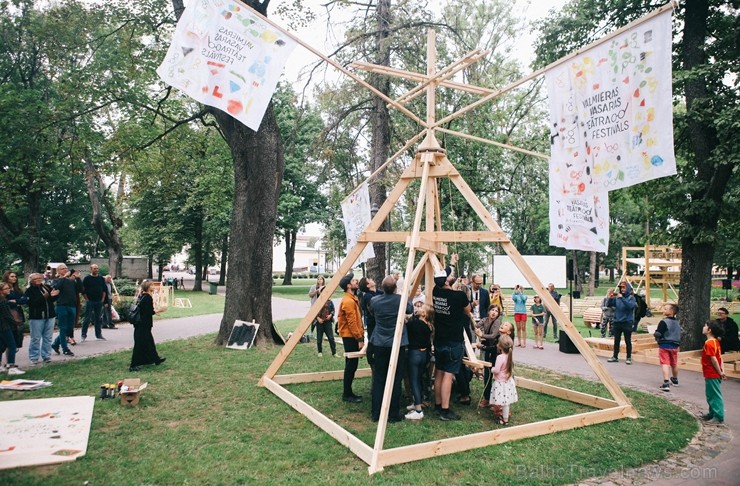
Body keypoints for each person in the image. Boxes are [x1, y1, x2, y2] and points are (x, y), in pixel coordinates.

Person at [431, 254, 472, 421]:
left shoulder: (435, 290)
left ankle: (438, 404)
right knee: (448, 374)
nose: (450, 275)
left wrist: (452, 264)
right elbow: (468, 311)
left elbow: (444, 273)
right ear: (447, 281)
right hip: (453, 341)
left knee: (439, 372)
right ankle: (445, 411)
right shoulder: (459, 296)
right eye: (449, 276)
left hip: (439, 339)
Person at [367, 276, 413, 423]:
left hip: (380, 343)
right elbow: (410, 309)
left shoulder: (375, 301)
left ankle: (376, 413)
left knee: (379, 378)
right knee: (395, 378)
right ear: (394, 288)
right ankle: (393, 414)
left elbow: (371, 312)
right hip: (397, 344)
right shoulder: (400, 300)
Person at [337, 273, 363, 403]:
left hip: (352, 336)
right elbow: (352, 322)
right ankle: (347, 394)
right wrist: (359, 339)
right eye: (353, 280)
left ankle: (348, 392)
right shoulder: (348, 301)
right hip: (350, 337)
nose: (356, 281)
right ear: (348, 285)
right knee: (351, 365)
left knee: (351, 365)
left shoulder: (352, 299)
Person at [129, 280, 167, 371]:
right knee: (140, 344)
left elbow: (144, 310)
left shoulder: (142, 296)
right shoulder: (147, 298)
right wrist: (160, 310)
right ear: (148, 287)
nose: (153, 286)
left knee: (149, 342)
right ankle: (133, 365)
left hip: (141, 324)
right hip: (143, 324)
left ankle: (155, 359)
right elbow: (148, 312)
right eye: (152, 285)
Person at [405, 302, 434, 420]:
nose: (418, 308)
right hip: (423, 354)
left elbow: (406, 326)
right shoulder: (429, 325)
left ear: (424, 314)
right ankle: (418, 401)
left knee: (413, 381)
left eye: (421, 308)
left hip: (414, 354)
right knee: (418, 379)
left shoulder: (415, 324)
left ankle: (418, 410)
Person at [25, 273, 59, 365]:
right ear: (31, 281)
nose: (39, 280)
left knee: (48, 337)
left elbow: (52, 299)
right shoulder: (29, 291)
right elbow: (31, 304)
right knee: (35, 338)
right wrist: (43, 297)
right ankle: (34, 357)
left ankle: (46, 356)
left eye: (40, 278)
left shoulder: (46, 287)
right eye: (36, 279)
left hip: (50, 315)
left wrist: (54, 295)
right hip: (37, 317)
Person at [474, 305, 502, 407]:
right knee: (487, 373)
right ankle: (487, 398)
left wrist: (482, 335)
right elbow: (476, 326)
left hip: (495, 350)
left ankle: (497, 399)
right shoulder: (485, 320)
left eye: (496, 311)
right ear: (489, 311)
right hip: (487, 347)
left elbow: (494, 335)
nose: (494, 312)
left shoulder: (497, 322)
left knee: (496, 373)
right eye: (492, 310)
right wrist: (478, 331)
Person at [700, 320, 725, 424]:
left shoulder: (709, 343)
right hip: (712, 373)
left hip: (712, 373)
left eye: (705, 326)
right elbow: (720, 358)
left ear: (709, 330)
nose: (703, 327)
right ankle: (712, 413)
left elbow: (714, 359)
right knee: (710, 394)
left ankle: (718, 416)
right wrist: (722, 371)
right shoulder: (715, 341)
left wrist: (719, 372)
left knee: (714, 394)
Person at [490, 334, 518, 425]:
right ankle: (505, 419)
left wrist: (492, 369)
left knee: (501, 400)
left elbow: (497, 370)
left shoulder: (500, 357)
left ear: (500, 345)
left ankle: (502, 417)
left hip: (500, 383)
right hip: (508, 382)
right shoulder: (510, 356)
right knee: (506, 403)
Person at [607, 282, 637, 365]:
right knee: (616, 340)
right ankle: (615, 356)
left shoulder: (631, 298)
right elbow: (609, 305)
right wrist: (610, 298)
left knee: (628, 340)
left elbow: (630, 306)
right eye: (621, 288)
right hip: (617, 321)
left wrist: (622, 298)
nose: (622, 289)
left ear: (627, 288)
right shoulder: (617, 298)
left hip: (627, 322)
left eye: (624, 288)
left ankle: (628, 357)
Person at [51, 264, 76, 357]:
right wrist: (63, 277)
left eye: (66, 268)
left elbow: (79, 289)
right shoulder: (56, 280)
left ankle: (55, 344)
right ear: (58, 271)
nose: (65, 270)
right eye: (62, 269)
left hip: (71, 305)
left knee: (69, 329)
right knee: (63, 328)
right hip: (62, 306)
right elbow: (56, 287)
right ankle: (65, 349)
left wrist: (77, 278)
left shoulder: (70, 281)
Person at [0, 282, 25, 374]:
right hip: (5, 326)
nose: (9, 290)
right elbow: (7, 315)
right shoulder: (3, 301)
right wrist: (15, 324)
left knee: (1, 345)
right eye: (6, 289)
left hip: (2, 326)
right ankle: (11, 366)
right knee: (12, 345)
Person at [654, 303, 680, 391]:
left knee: (665, 363)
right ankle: (675, 379)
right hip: (675, 345)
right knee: (674, 363)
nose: (663, 310)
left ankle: (666, 382)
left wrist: (656, 336)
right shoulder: (677, 322)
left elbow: (658, 333)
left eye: (665, 309)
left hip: (664, 344)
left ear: (671, 311)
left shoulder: (664, 322)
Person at [81, 263, 107, 342]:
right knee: (87, 318)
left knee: (98, 318)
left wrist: (102, 299)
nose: (96, 270)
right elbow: (83, 290)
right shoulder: (87, 278)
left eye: (97, 268)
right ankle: (83, 334)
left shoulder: (101, 278)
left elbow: (104, 289)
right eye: (95, 268)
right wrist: (86, 299)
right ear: (91, 269)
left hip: (99, 301)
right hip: (90, 301)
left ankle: (98, 335)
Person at [314, 286, 337, 358]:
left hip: (328, 322)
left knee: (331, 337)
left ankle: (334, 352)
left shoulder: (330, 302)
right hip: (319, 323)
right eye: (323, 291)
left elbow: (333, 310)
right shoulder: (317, 302)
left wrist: (330, 315)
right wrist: (318, 318)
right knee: (319, 338)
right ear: (320, 293)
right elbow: (313, 313)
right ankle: (320, 351)